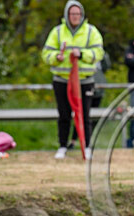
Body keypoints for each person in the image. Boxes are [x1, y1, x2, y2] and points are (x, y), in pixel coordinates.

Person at [41, 0, 104, 160]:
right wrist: (57, 57)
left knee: (84, 114)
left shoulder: (91, 31)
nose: (75, 17)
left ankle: (86, 146)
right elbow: (46, 54)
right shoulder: (57, 31)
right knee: (64, 114)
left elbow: (99, 53)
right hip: (62, 80)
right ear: (67, 15)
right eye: (72, 13)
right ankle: (63, 146)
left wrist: (82, 54)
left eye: (78, 14)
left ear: (82, 15)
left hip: (85, 80)